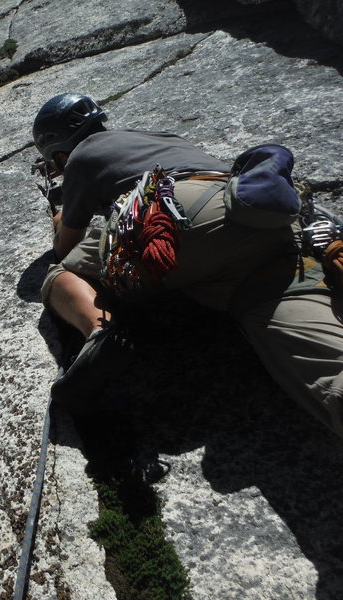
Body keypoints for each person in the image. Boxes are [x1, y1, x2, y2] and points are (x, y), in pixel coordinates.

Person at [34, 93, 343, 438]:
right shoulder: (165, 138)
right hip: (260, 225)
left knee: (62, 275)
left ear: (60, 152)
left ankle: (100, 335)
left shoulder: (83, 155)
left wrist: (60, 214)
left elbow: (66, 246)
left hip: (175, 219)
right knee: (328, 364)